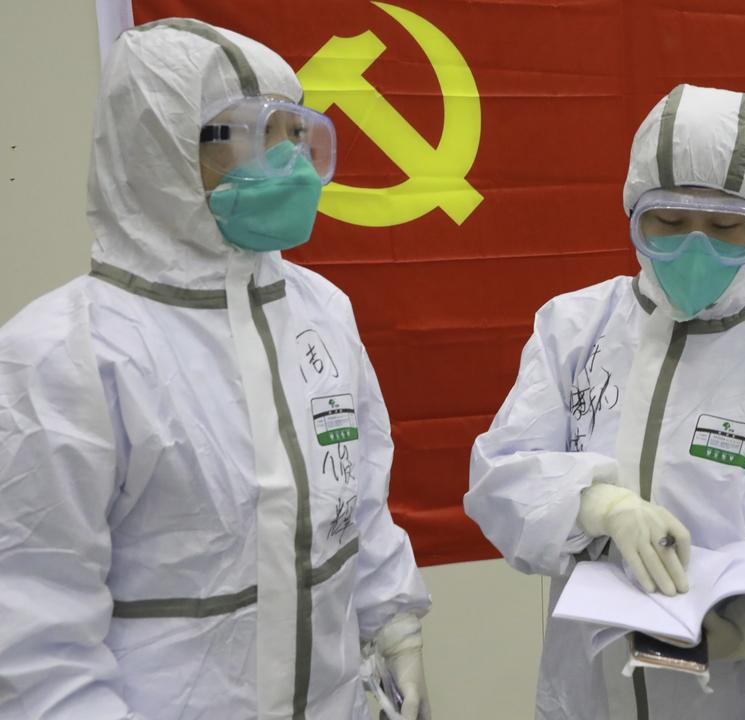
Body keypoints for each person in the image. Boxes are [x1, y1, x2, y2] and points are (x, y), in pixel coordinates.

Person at [0, 19, 432, 719]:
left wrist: (393, 621)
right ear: (160, 149)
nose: (288, 162)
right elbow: (32, 630)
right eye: (251, 136)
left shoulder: (319, 310)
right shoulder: (63, 353)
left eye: (294, 134)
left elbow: (358, 500)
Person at [466, 84, 745, 719]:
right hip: (593, 688)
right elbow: (500, 478)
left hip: (742, 696)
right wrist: (599, 505)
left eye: (727, 228)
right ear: (633, 211)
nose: (695, 248)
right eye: (670, 224)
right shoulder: (576, 328)